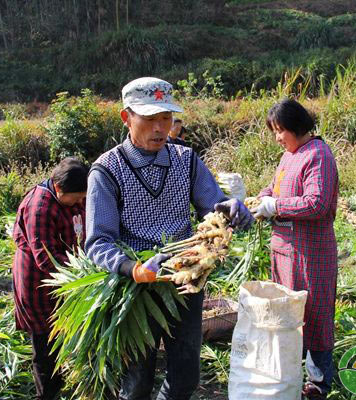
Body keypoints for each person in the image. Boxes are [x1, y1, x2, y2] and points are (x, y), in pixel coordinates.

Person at [85, 77, 253, 400]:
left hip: (185, 283)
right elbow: (97, 242)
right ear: (126, 118)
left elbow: (212, 207)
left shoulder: (185, 160)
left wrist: (230, 211)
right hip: (135, 291)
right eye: (149, 119)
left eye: (166, 118)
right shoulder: (106, 171)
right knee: (136, 383)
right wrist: (134, 268)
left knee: (186, 377)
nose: (160, 128)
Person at [252, 99, 339, 400]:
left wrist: (275, 206)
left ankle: (318, 382)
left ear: (297, 126)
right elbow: (275, 188)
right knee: (290, 311)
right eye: (274, 131)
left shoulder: (318, 155)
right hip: (285, 251)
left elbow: (317, 202)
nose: (277, 138)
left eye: (280, 130)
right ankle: (291, 372)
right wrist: (261, 198)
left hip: (310, 253)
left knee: (314, 312)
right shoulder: (289, 156)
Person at [11, 157, 89, 400]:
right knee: (45, 341)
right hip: (39, 282)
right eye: (76, 198)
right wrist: (84, 274)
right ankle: (46, 393)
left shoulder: (72, 198)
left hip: (67, 277)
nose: (80, 202)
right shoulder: (40, 208)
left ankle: (61, 379)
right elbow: (46, 259)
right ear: (58, 188)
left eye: (82, 197)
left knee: (62, 332)